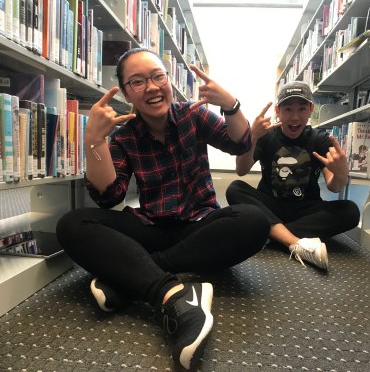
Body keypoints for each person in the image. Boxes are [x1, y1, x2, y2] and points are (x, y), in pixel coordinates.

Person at [56, 47, 269, 371]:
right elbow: (108, 196)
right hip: (151, 227)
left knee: (253, 220)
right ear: (127, 93)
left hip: (200, 225)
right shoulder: (124, 136)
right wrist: (94, 144)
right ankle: (172, 292)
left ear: (168, 81)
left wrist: (231, 105)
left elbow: (238, 144)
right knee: (72, 224)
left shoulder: (192, 115)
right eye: (138, 82)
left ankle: (132, 278)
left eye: (158, 77)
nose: (152, 87)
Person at [226, 81, 360, 270]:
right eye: (288, 109)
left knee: (351, 212)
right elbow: (241, 169)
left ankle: (272, 234)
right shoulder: (266, 136)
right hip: (269, 205)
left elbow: (334, 186)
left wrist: (342, 173)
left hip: (306, 208)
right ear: (278, 111)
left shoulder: (319, 139)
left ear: (311, 109)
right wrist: (252, 138)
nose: (295, 117)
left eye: (302, 108)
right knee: (235, 188)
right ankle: (295, 242)